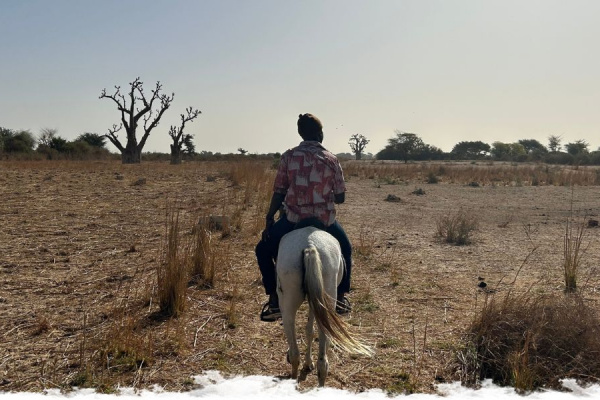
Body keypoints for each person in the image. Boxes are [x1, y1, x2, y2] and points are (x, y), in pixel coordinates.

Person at [255, 113, 353, 322]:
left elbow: (279, 191)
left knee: (262, 249)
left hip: (293, 220)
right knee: (346, 248)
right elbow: (341, 197)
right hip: (325, 221)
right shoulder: (331, 159)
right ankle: (342, 297)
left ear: (300, 133)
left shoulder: (289, 156)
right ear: (320, 133)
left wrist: (269, 216)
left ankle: (274, 300)